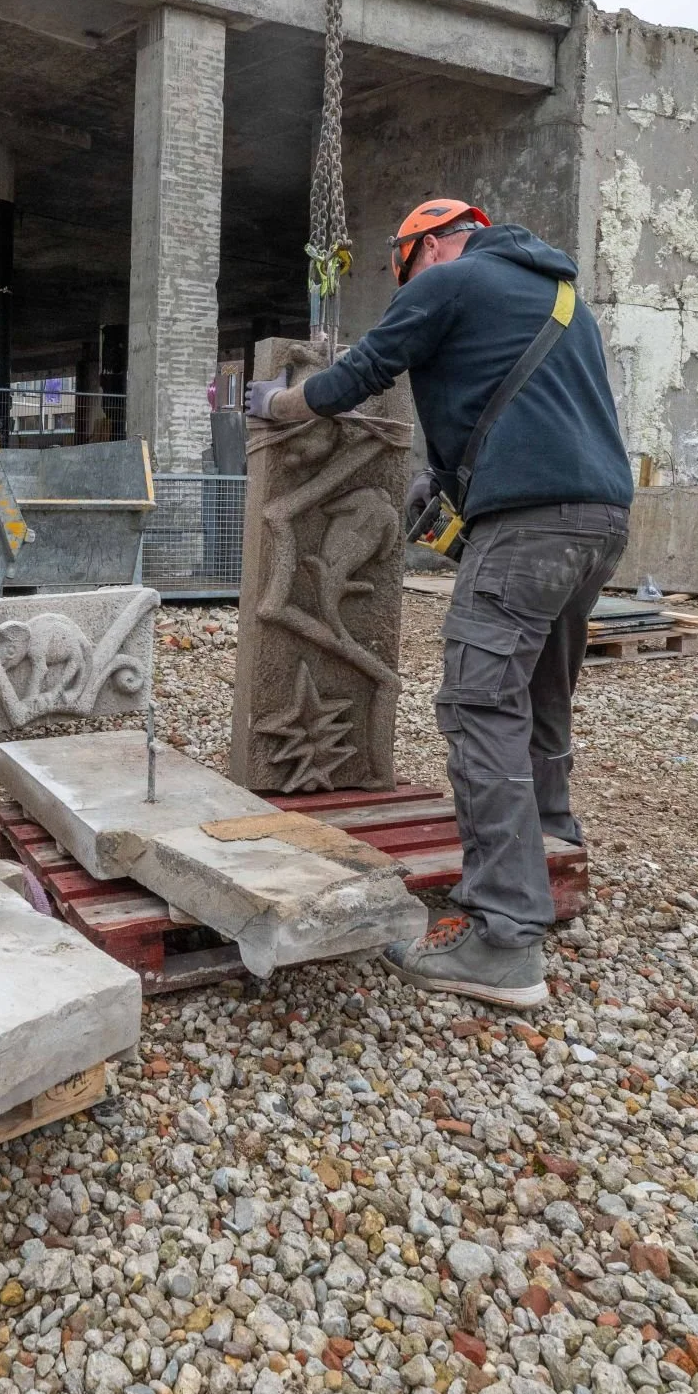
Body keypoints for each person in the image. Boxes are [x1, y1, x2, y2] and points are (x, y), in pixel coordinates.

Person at [254, 199, 633, 1008]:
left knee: (475, 700)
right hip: (598, 520)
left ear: (426, 247)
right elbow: (534, 412)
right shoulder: (562, 296)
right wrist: (453, 480)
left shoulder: (451, 280)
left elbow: (365, 373)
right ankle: (553, 834)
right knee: (539, 686)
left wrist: (284, 406)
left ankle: (504, 937)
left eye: (404, 268)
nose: (409, 282)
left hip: (529, 524)